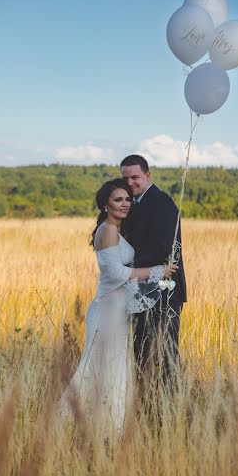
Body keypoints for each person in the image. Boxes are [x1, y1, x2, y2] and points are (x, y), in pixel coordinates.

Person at [59, 178, 177, 433]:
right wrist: (158, 271)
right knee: (102, 366)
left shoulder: (114, 229)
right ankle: (87, 425)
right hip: (108, 310)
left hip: (116, 308)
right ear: (105, 204)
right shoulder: (108, 230)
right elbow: (114, 273)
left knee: (112, 366)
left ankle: (105, 426)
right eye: (117, 200)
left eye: (127, 199)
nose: (125, 204)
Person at [120, 155, 186, 385]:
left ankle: (169, 408)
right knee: (142, 353)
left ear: (147, 176)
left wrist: (126, 267)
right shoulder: (134, 204)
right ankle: (146, 404)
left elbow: (163, 248)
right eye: (125, 178)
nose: (130, 183)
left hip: (164, 292)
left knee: (166, 355)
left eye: (135, 177)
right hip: (141, 291)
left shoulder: (161, 203)